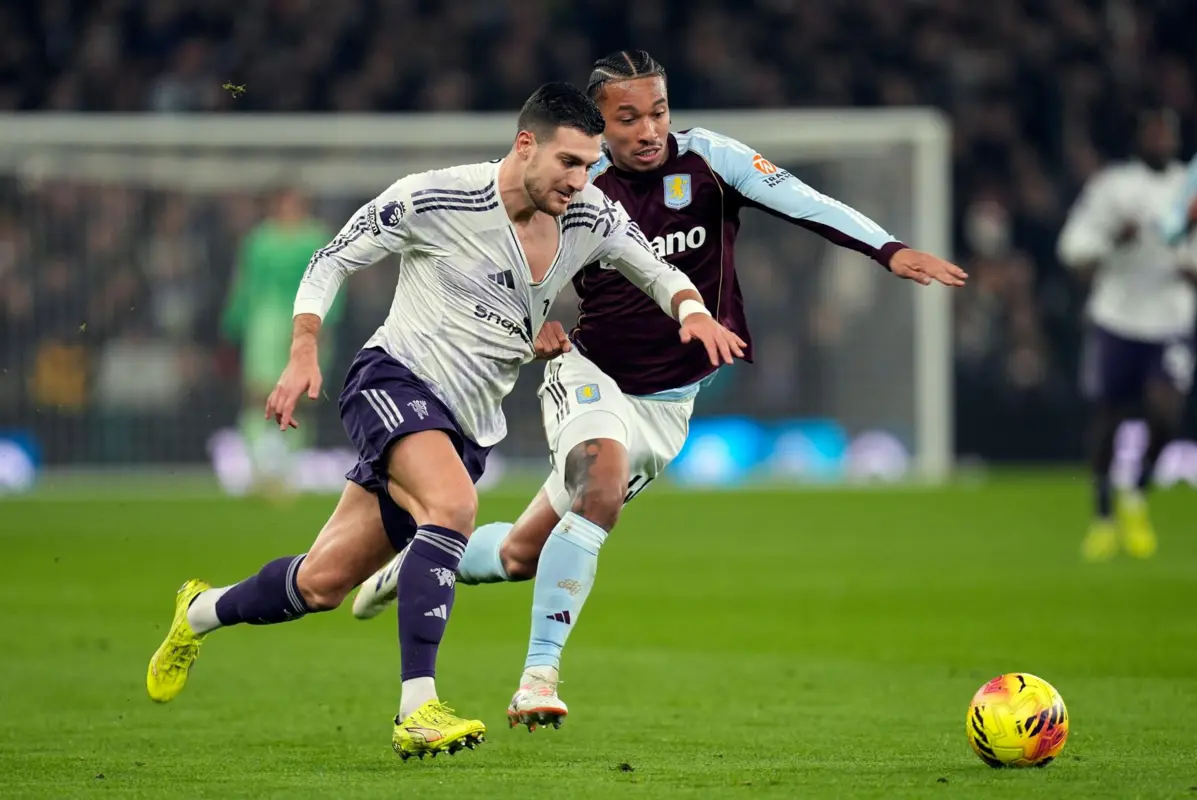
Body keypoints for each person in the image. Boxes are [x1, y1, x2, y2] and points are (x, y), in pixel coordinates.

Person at [350, 51, 968, 732]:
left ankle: (420, 559)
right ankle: (537, 679)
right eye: (627, 117)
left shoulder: (710, 161)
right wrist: (536, 330)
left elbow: (804, 202)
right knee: (601, 485)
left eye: (659, 111)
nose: (648, 129)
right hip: (592, 374)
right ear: (598, 125)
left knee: (521, 554)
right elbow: (507, 262)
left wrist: (888, 249)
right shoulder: (577, 184)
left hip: (670, 402)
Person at [144, 81, 745, 760]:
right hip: (392, 381)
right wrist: (303, 348)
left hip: (466, 425)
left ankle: (198, 611)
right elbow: (330, 258)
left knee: (320, 584)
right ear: (526, 146)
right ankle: (417, 707)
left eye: (589, 164)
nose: (582, 179)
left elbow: (659, 273)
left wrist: (693, 311)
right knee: (455, 508)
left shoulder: (591, 217)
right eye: (570, 162)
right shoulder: (437, 196)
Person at [1057, 108, 1196, 562]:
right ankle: (1102, 517)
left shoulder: (1188, 189)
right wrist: (1115, 238)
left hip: (1170, 319)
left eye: (1166, 133)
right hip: (1116, 317)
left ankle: (1135, 492)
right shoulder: (1113, 188)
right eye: (1152, 131)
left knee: (1165, 414)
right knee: (1108, 419)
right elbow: (1074, 249)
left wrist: (1190, 265)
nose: (1160, 140)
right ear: (1139, 138)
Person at [220, 186, 338, 498]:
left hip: (306, 322)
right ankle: (258, 468)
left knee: (300, 397)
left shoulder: (315, 237)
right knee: (260, 394)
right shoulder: (260, 240)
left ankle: (288, 471)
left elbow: (331, 280)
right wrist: (234, 324)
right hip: (266, 323)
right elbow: (247, 283)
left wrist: (326, 321)